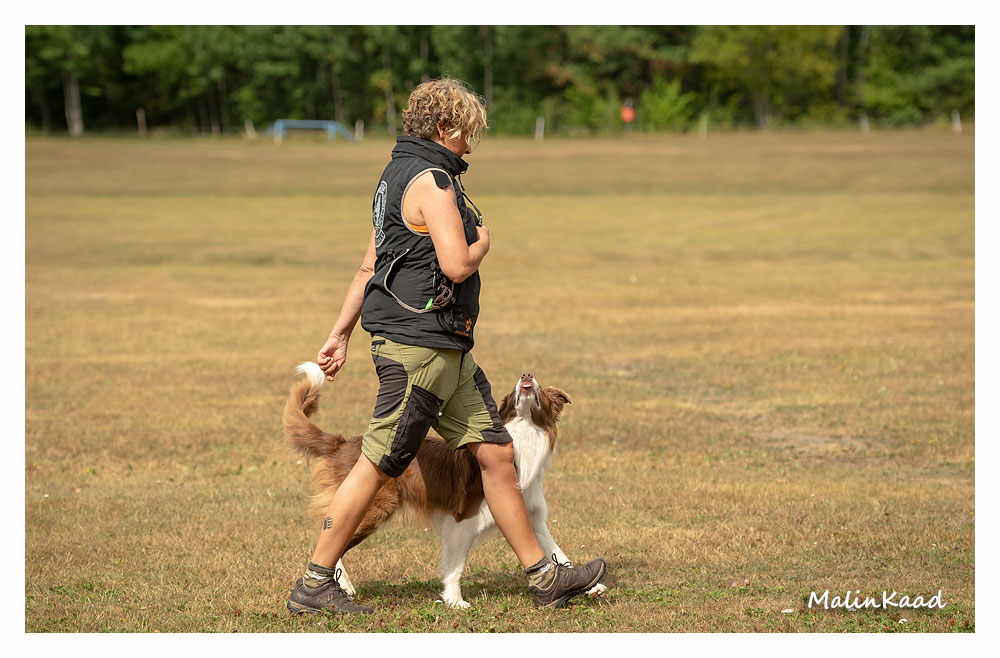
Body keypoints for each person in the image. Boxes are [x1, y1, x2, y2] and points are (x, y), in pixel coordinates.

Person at [286, 78, 606, 614]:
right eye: (467, 131)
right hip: (419, 348)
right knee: (380, 461)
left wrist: (340, 333)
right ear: (442, 127)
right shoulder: (432, 182)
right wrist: (483, 242)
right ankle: (316, 582)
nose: (471, 143)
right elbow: (457, 264)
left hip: (448, 350)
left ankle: (545, 577)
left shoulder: (393, 178)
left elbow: (369, 267)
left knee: (496, 452)